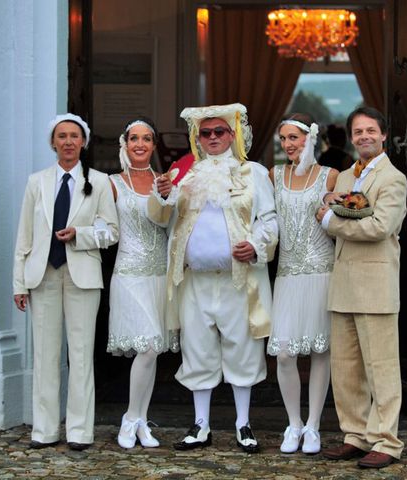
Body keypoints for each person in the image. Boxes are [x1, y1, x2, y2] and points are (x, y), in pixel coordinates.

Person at [147, 103, 278, 453]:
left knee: (243, 349)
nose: (213, 138)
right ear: (198, 138)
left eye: (219, 131)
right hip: (194, 280)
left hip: (239, 279)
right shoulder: (184, 174)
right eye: (206, 133)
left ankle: (243, 423)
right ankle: (200, 424)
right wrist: (162, 195)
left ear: (232, 135)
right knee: (197, 349)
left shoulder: (254, 173)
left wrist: (255, 245)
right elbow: (161, 219)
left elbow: (268, 220)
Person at [13, 113, 119, 451]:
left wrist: (80, 234)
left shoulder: (99, 182)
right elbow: (24, 235)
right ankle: (44, 429)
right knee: (44, 355)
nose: (68, 142)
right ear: (53, 142)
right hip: (42, 275)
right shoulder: (36, 182)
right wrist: (19, 283)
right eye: (62, 136)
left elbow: (111, 231)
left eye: (74, 136)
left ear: (83, 142)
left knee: (81, 354)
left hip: (81, 276)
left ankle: (79, 431)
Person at [315, 106, 407, 469]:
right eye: (358, 131)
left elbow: (380, 227)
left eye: (371, 130)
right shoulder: (342, 178)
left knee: (381, 368)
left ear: (383, 135)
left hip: (375, 285)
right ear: (351, 137)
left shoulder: (392, 178)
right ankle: (355, 436)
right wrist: (326, 206)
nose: (364, 136)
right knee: (346, 368)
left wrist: (329, 221)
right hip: (343, 283)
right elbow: (334, 210)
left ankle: (387, 440)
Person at [267, 113, 339, 454]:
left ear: (310, 138)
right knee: (284, 353)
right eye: (283, 139)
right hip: (287, 275)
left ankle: (313, 426)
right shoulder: (274, 175)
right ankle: (293, 423)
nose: (287, 144)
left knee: (321, 351)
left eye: (293, 137)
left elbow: (342, 217)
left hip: (322, 272)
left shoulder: (331, 176)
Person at [106, 117, 180, 449]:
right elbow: (103, 224)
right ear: (125, 143)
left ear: (153, 145)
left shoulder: (165, 182)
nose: (140, 144)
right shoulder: (112, 183)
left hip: (159, 275)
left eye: (146, 139)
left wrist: (169, 198)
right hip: (129, 275)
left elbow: (174, 228)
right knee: (148, 347)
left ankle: (140, 420)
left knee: (152, 351)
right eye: (134, 138)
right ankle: (130, 417)